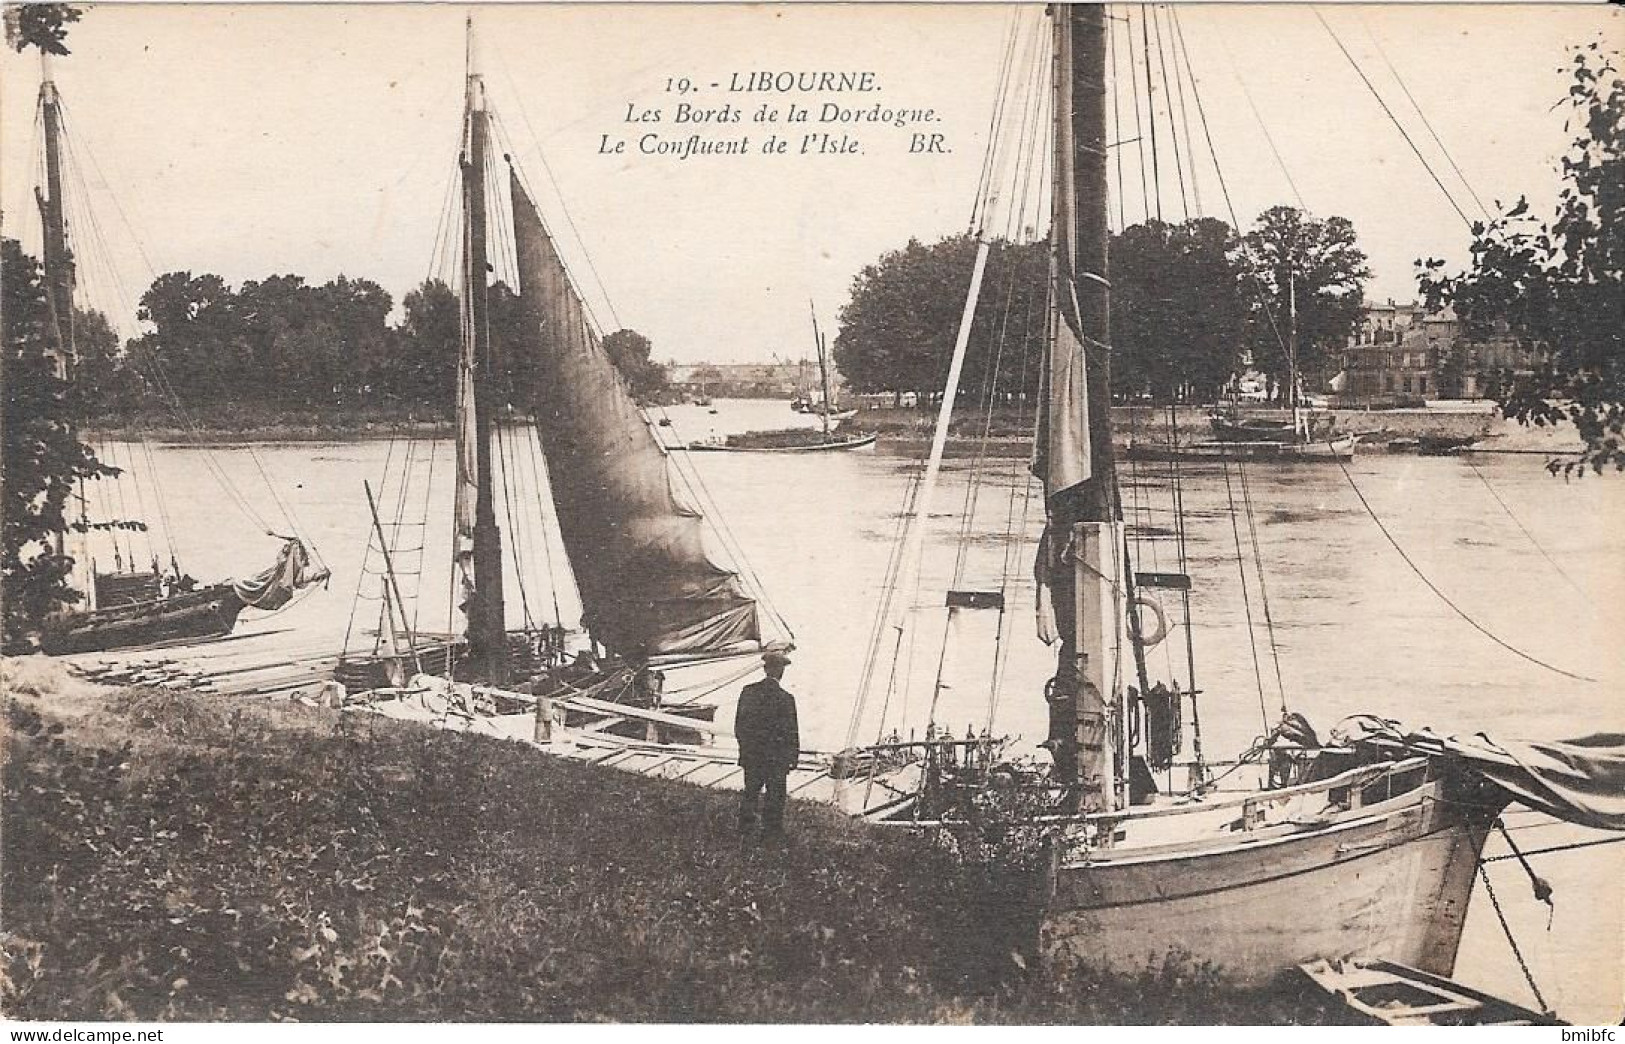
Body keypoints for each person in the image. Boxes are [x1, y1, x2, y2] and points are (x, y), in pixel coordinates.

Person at [734, 648, 799, 838]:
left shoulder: (749, 692)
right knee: (775, 796)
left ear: (766, 669)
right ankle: (771, 832)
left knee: (751, 792)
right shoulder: (786, 699)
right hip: (777, 759)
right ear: (781, 672)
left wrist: (745, 750)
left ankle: (745, 830)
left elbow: (740, 726)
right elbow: (791, 732)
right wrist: (792, 758)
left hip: (753, 755)